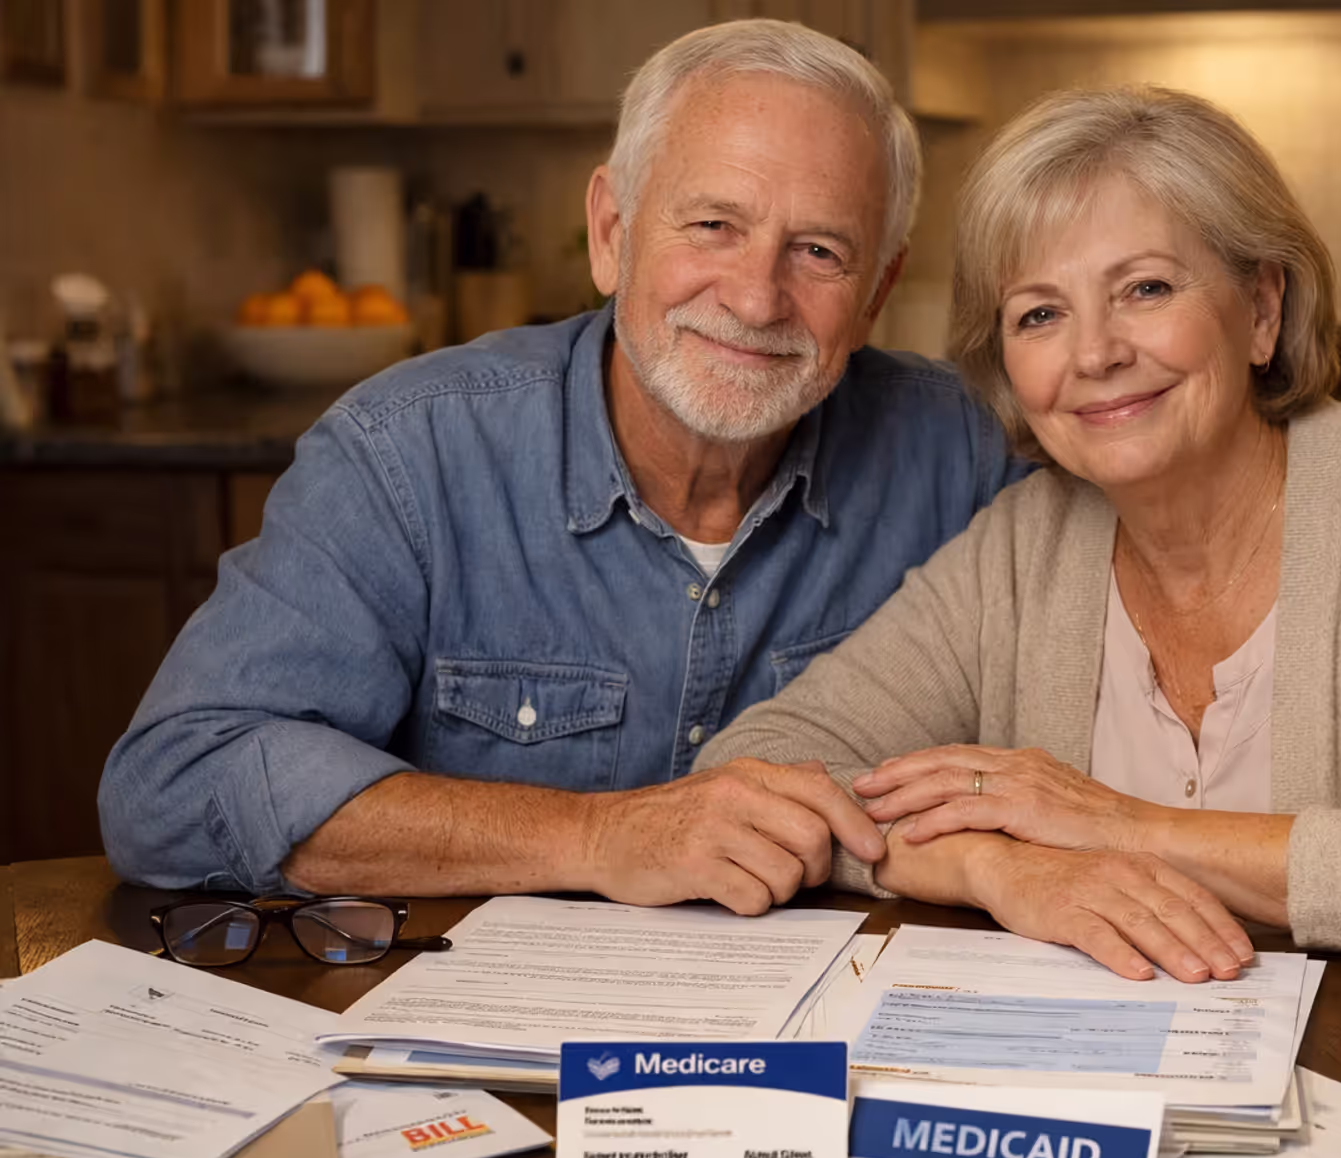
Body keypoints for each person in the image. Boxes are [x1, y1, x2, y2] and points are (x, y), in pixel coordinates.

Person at [698, 85, 1341, 981]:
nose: (1094, 353)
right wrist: (995, 864)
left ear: (1261, 308)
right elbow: (752, 779)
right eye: (1040, 313)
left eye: (1146, 288)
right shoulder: (1021, 546)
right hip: (1103, 1118)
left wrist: (1130, 831)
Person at [99, 20, 1025, 913]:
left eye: (819, 251)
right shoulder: (408, 453)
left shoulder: (970, 457)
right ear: (611, 233)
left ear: (875, 297)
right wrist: (597, 837)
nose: (754, 297)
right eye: (711, 225)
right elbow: (175, 788)